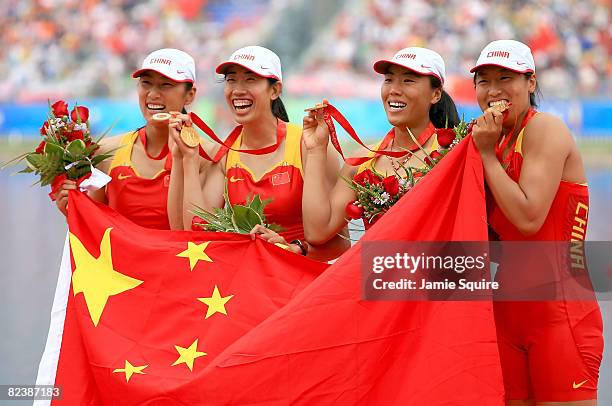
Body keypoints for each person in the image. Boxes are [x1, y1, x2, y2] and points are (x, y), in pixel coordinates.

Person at [471, 39, 603, 405]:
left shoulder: (545, 130)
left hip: (560, 314)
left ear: (531, 82)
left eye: (506, 77)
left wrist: (484, 155)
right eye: (484, 81)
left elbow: (529, 218)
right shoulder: (492, 143)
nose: (494, 89)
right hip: (505, 314)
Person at [168, 45, 349, 261]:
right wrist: (187, 158)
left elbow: (341, 243)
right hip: (252, 286)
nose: (237, 90)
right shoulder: (225, 154)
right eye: (231, 80)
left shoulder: (307, 145)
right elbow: (197, 233)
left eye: (250, 79)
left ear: (275, 90)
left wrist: (294, 250)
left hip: (303, 284)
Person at [301, 47, 459, 244]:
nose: (394, 89)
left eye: (408, 80)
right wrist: (316, 150)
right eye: (388, 80)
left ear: (436, 94)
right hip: (380, 273)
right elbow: (318, 232)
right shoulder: (361, 163)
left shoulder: (453, 152)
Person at [55, 48, 215, 230]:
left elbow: (204, 237)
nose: (153, 94)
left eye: (165, 85)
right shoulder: (106, 152)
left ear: (190, 95)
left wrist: (184, 160)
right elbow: (94, 229)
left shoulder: (210, 157)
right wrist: (70, 209)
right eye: (146, 83)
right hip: (120, 259)